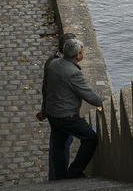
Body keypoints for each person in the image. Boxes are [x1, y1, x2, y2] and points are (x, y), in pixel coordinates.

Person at [45, 37, 105, 180]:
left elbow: (46, 87)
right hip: (66, 116)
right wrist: (107, 102)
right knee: (90, 138)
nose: (84, 53)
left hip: (52, 114)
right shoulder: (73, 72)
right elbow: (89, 95)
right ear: (78, 55)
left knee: (58, 147)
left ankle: (59, 178)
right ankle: (73, 173)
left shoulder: (53, 64)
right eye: (83, 51)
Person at [37, 32, 77, 179]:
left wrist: (44, 110)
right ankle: (58, 178)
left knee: (57, 143)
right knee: (63, 144)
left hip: (54, 111)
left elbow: (45, 88)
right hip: (63, 112)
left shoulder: (50, 61)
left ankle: (55, 176)